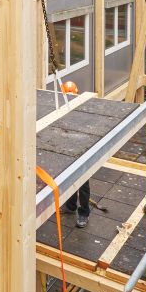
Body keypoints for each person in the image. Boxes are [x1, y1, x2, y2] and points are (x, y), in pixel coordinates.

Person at [60, 80, 91, 228]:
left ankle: (84, 213)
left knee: (83, 183)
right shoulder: (62, 108)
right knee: (69, 179)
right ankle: (71, 206)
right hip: (68, 151)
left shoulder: (82, 108)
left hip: (81, 150)